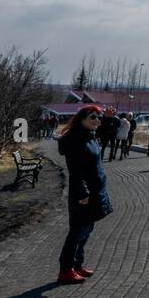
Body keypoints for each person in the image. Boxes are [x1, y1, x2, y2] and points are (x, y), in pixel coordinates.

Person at [56, 106, 113, 283]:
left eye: (99, 117)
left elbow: (106, 130)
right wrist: (82, 193)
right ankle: (66, 270)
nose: (97, 120)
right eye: (93, 117)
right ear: (81, 120)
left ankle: (77, 265)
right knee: (77, 231)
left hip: (95, 192)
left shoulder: (89, 136)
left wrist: (108, 118)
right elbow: (76, 171)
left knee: (86, 230)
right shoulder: (76, 140)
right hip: (83, 194)